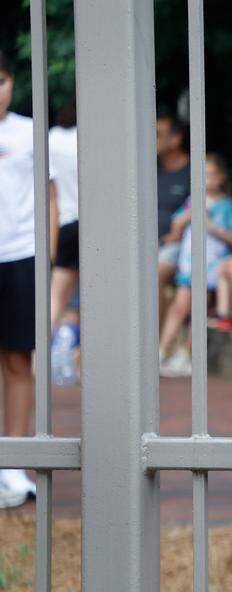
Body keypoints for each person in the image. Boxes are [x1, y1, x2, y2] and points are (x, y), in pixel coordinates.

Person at [0, 51, 58, 508]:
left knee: (20, 362)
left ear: (11, 82)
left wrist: (48, 255)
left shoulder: (29, 132)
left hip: (21, 255)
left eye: (0, 80)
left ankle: (14, 465)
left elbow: (50, 194)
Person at [157, 153, 232, 376]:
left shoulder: (227, 205)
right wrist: (182, 221)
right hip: (189, 263)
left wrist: (212, 227)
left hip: (210, 266)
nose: (207, 179)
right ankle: (162, 352)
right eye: (203, 175)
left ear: (222, 177)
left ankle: (187, 355)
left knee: (197, 310)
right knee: (179, 307)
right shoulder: (192, 201)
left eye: (212, 174)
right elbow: (176, 229)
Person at [48, 99, 81, 386]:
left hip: (66, 223)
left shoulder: (52, 139)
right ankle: (75, 358)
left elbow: (50, 192)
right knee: (91, 299)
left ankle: (39, 358)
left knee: (57, 297)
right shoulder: (96, 137)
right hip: (97, 225)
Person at [156, 113, 191, 293]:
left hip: (182, 245)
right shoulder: (152, 171)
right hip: (151, 244)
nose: (150, 139)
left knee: (154, 274)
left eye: (157, 135)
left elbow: (213, 204)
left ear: (175, 139)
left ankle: (153, 323)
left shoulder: (195, 171)